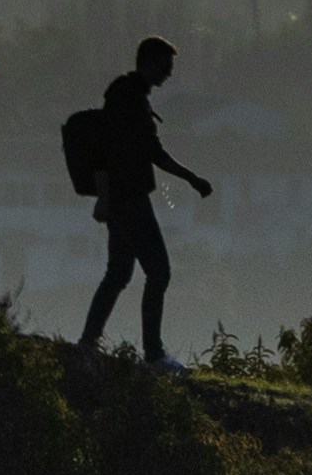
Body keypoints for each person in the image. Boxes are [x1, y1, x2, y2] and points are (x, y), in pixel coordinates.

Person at [73, 34, 215, 366]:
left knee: (119, 273)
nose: (169, 73)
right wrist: (192, 178)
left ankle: (88, 341)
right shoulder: (129, 100)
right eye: (166, 66)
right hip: (129, 199)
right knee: (159, 272)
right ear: (149, 63)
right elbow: (138, 153)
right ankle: (153, 353)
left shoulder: (128, 95)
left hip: (123, 197)